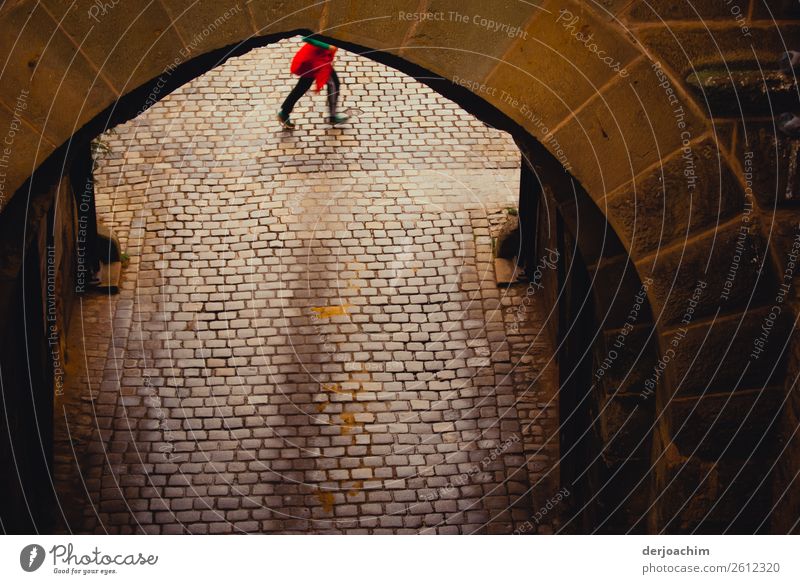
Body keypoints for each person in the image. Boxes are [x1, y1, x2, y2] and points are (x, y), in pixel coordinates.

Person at [277, 36, 349, 129]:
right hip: (316, 59)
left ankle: (284, 113)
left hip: (315, 58)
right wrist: (327, 46)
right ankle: (333, 116)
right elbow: (307, 38)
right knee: (334, 84)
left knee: (303, 86)